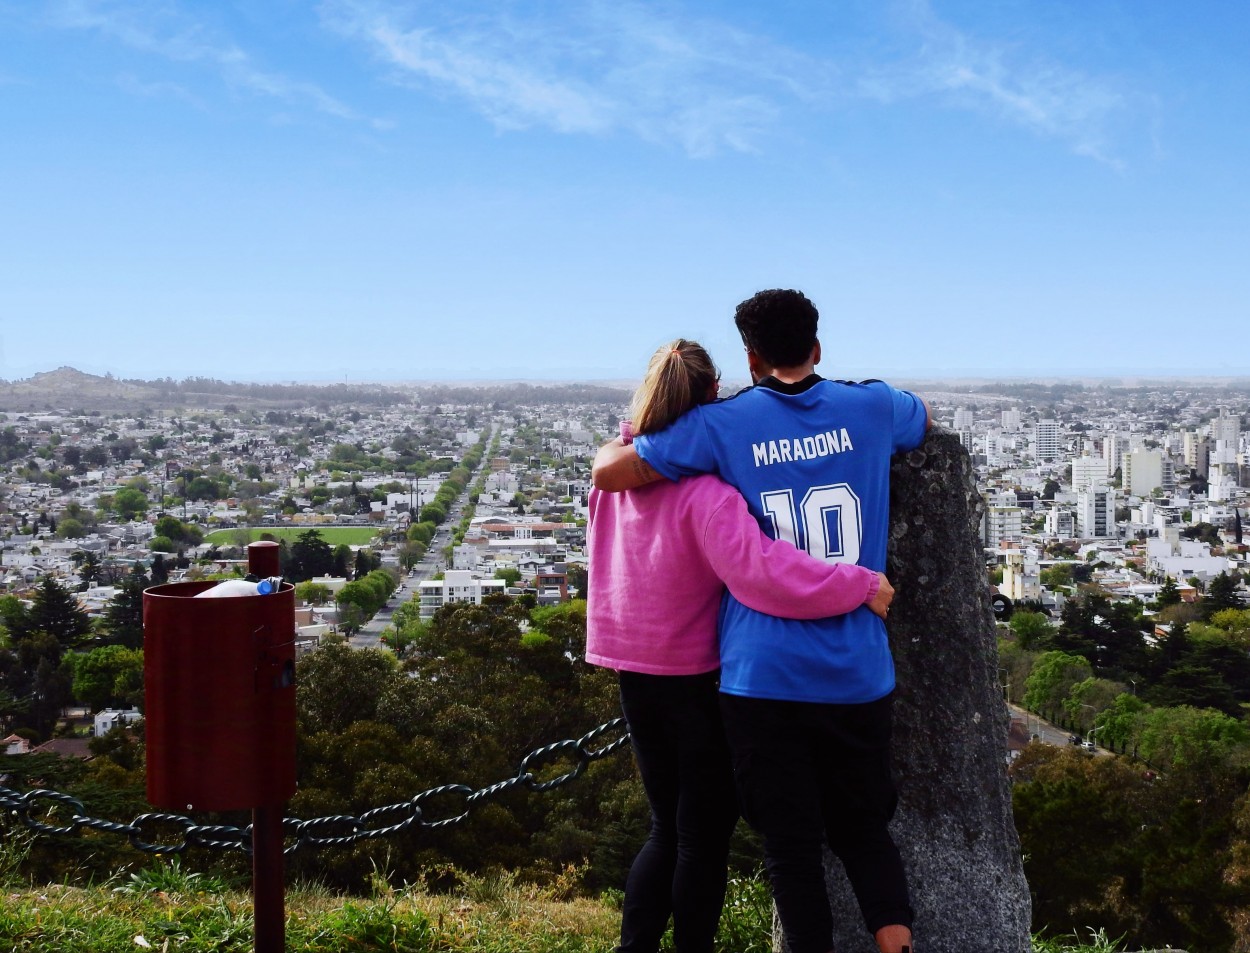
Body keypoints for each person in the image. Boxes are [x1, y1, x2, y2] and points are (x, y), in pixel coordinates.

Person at [592, 291, 931, 953]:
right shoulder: (871, 406)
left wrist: (617, 444)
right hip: (857, 666)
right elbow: (918, 418)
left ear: (750, 357)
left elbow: (618, 469)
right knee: (862, 832)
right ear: (818, 344)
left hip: (758, 671)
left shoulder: (721, 427)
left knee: (786, 849)